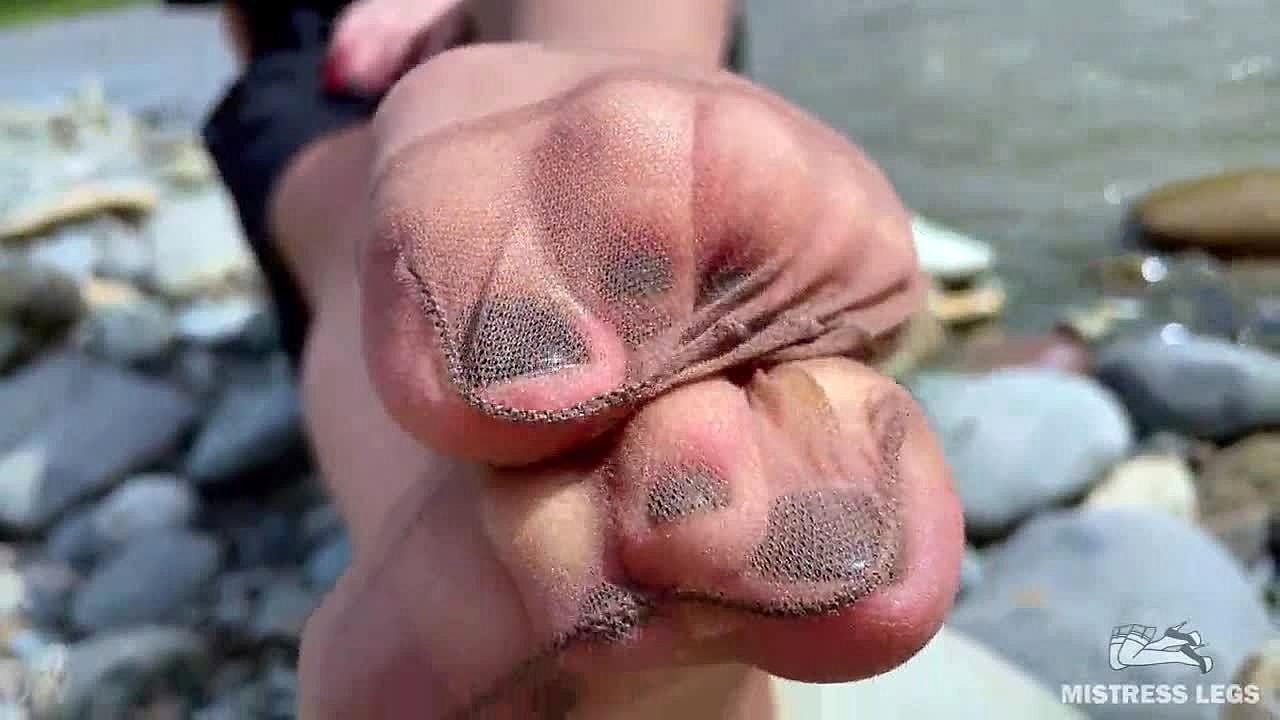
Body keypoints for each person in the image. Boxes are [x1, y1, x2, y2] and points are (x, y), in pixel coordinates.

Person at [180, 1, 965, 717]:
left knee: (346, 230)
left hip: (320, 55)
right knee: (620, 104)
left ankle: (497, 582)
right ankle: (623, 125)